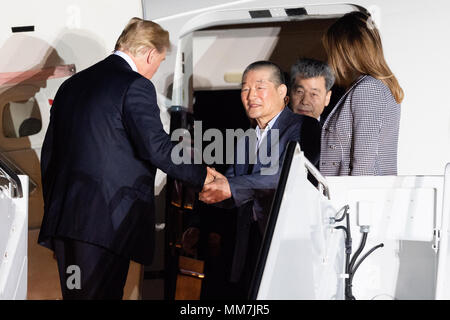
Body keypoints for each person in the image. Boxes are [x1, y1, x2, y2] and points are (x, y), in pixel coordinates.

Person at [38, 17, 213, 299]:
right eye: (160, 61)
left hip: (68, 226)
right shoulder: (135, 85)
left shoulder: (70, 86)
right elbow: (156, 147)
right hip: (106, 227)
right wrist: (203, 176)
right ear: (148, 53)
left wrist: (58, 218)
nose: (155, 71)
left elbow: (50, 158)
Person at [198, 61, 309, 298]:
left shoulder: (301, 127)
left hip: (284, 240)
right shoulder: (245, 139)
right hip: (247, 244)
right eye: (245, 89)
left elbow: (285, 176)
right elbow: (232, 190)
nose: (251, 96)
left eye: (260, 87)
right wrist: (212, 186)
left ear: (282, 92)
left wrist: (231, 185)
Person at [320, 11, 403, 176]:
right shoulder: (370, 86)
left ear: (345, 52)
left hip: (356, 198)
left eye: (331, 51)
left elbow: (364, 163)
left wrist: (354, 201)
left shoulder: (368, 89)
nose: (329, 59)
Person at [289, 58, 335, 167]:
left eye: (314, 94)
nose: (305, 101)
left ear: (327, 97)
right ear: (290, 92)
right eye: (299, 92)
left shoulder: (335, 137)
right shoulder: (272, 129)